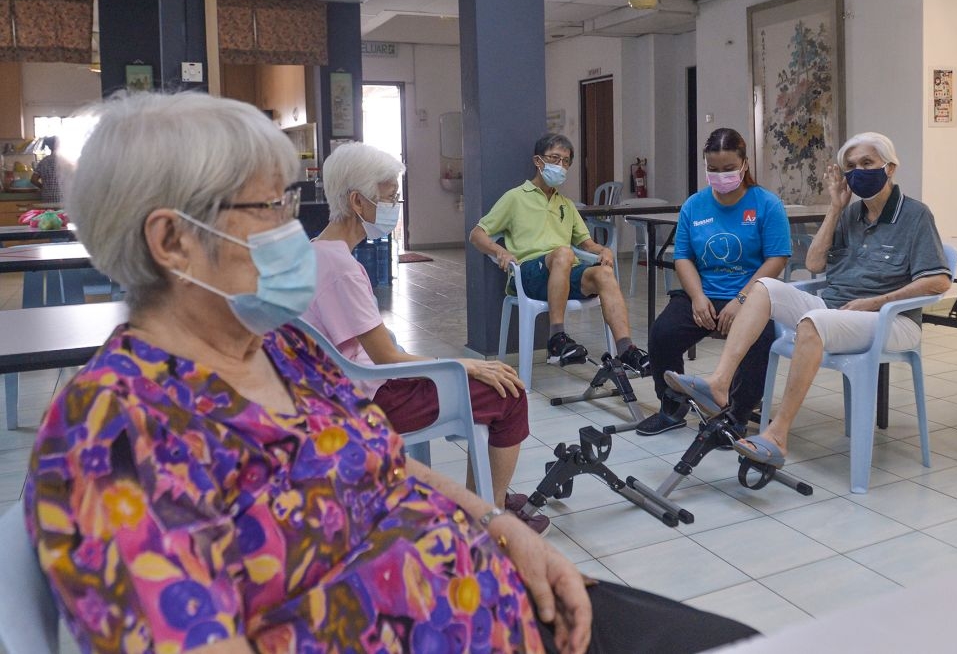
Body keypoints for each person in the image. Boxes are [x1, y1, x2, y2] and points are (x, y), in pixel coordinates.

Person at [25, 91, 756, 654]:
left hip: (508, 599)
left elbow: (387, 464)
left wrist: (505, 527)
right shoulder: (113, 436)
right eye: (271, 206)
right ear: (173, 239)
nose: (292, 226)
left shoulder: (284, 349)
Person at [303, 141, 549, 534]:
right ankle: (489, 517)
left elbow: (372, 346)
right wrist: (464, 364)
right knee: (510, 393)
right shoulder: (343, 269)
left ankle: (483, 497)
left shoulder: (315, 251)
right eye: (389, 198)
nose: (394, 207)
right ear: (357, 202)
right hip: (372, 400)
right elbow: (383, 357)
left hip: (343, 388)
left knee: (486, 379)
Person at [665, 132, 952, 468]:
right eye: (851, 166)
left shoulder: (915, 215)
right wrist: (835, 207)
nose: (858, 171)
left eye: (867, 163)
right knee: (764, 288)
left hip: (891, 320)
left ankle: (777, 436)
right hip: (836, 309)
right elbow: (815, 264)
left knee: (812, 323)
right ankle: (719, 384)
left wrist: (874, 303)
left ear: (890, 168)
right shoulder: (849, 213)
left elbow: (938, 280)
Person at [639, 128, 790, 436]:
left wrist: (743, 300)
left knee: (760, 340)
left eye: (728, 169)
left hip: (753, 298)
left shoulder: (767, 204)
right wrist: (696, 297)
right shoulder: (694, 206)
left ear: (744, 164)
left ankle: (736, 415)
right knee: (662, 333)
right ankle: (672, 408)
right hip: (703, 294)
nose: (720, 176)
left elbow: (777, 259)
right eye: (713, 169)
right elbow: (682, 257)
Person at [469, 133, 650, 373]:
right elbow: (477, 234)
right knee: (563, 253)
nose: (561, 166)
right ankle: (557, 341)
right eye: (555, 158)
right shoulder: (515, 198)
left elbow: (586, 244)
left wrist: (603, 250)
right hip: (530, 275)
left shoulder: (566, 204)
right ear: (538, 161)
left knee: (604, 274)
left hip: (565, 273)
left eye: (566, 161)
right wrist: (500, 252)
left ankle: (626, 350)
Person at [30, 136, 63, 203]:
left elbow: (33, 179)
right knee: (60, 213)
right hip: (62, 197)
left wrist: (43, 187)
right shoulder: (64, 161)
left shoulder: (43, 161)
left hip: (47, 197)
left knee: (48, 213)